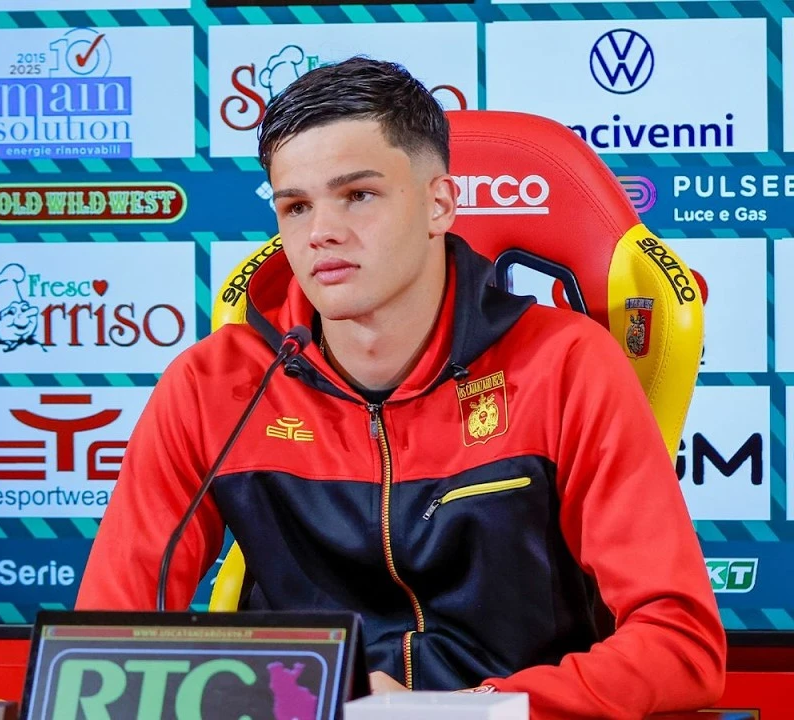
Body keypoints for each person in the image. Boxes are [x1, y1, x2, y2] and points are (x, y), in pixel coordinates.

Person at [75, 57, 726, 717]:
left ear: (440, 204)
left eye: (358, 195)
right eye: (296, 206)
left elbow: (681, 646)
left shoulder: (566, 366)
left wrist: (459, 711)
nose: (321, 232)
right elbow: (100, 653)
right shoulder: (212, 385)